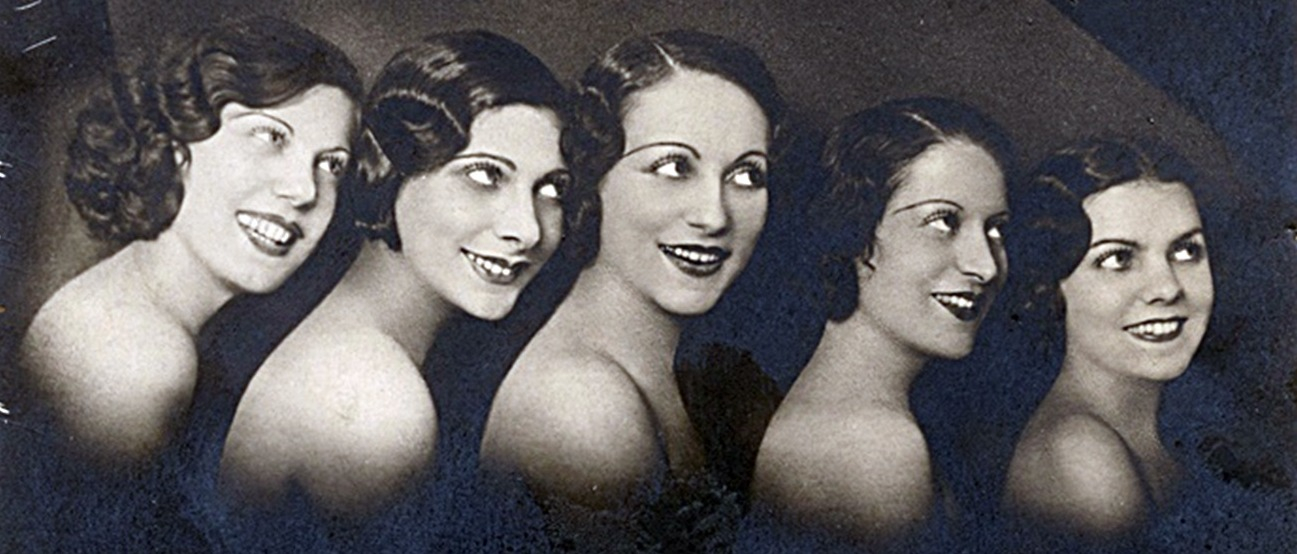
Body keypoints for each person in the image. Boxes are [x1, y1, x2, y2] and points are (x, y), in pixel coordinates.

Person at [218, 31, 583, 518]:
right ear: (390, 169)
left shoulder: (348, 337)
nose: (527, 229)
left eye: (551, 189)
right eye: (484, 175)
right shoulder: (375, 398)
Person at [479, 30, 785, 549]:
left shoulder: (656, 367)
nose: (714, 216)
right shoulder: (583, 403)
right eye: (674, 167)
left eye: (746, 176)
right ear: (593, 175)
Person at [19, 16, 362, 470]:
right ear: (176, 144)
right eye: (270, 136)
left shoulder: (136, 309)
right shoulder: (142, 362)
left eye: (332, 164)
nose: (304, 190)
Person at [751, 98, 1014, 546]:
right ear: (855, 234)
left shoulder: (838, 408)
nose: (986, 266)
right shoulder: (875, 446)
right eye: (944, 222)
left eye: (996, 229)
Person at [1003, 139, 1213, 538]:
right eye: (1119, 259)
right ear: (1050, 286)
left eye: (1186, 251)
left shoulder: (1169, 429)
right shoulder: (1079, 455)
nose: (1167, 288)